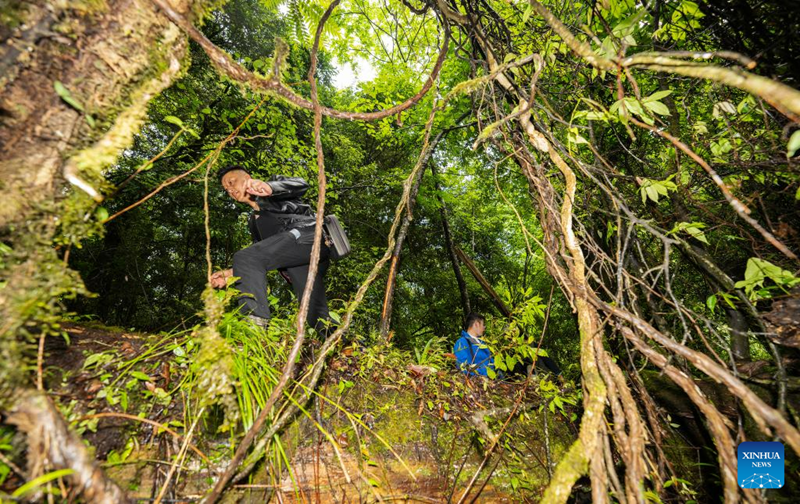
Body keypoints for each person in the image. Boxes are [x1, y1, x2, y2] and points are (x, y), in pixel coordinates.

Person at [210, 164, 332, 333]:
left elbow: (301, 184)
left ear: (246, 178)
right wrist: (231, 273)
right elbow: (261, 254)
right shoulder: (254, 222)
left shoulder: (273, 187)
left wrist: (269, 188)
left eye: (231, 182)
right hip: (295, 259)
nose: (229, 190)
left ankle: (253, 329)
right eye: (226, 189)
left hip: (309, 235)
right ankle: (343, 347)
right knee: (314, 313)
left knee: (245, 257)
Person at [453, 312, 563, 379]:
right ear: (476, 324)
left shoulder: (484, 344)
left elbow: (494, 363)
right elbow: (462, 366)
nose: (484, 328)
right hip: (480, 382)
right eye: (483, 325)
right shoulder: (462, 343)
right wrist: (486, 375)